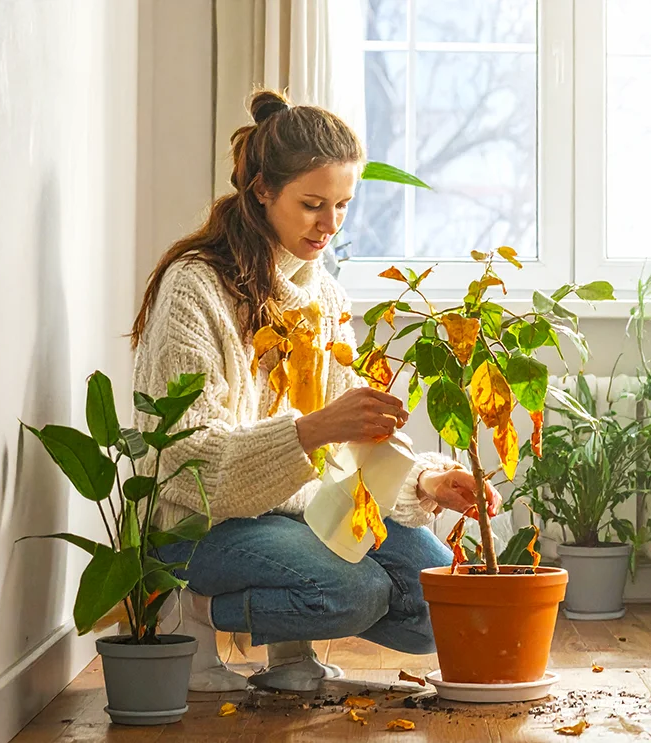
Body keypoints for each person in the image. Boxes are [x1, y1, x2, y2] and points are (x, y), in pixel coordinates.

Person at [132, 89, 501, 693]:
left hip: (297, 514)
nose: (330, 226)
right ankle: (187, 610)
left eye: (343, 206)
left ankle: (291, 650)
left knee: (439, 596)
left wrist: (425, 482)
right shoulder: (194, 287)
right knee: (355, 589)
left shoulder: (323, 296)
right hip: (198, 525)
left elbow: (353, 437)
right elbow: (184, 459)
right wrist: (313, 430)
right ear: (261, 190)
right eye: (312, 205)